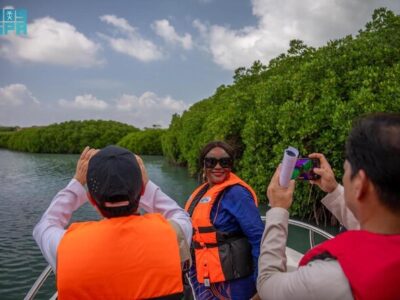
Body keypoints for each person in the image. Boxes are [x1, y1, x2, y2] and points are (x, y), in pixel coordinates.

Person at [257, 113, 400, 300]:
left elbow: (268, 285)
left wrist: (278, 209)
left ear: (360, 184)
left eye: (346, 170)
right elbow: (380, 231)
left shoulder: (329, 278)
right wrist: (333, 190)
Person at [33, 145, 192, 299]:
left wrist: (76, 183)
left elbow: (44, 226)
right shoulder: (174, 234)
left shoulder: (64, 246)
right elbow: (180, 215)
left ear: (90, 199)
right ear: (142, 191)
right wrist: (147, 185)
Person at [185, 141, 264, 299]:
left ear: (231, 165)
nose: (218, 166)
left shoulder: (237, 194)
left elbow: (259, 238)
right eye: (211, 161)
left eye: (224, 161)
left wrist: (260, 283)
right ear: (203, 165)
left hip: (233, 282)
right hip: (205, 275)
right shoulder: (202, 192)